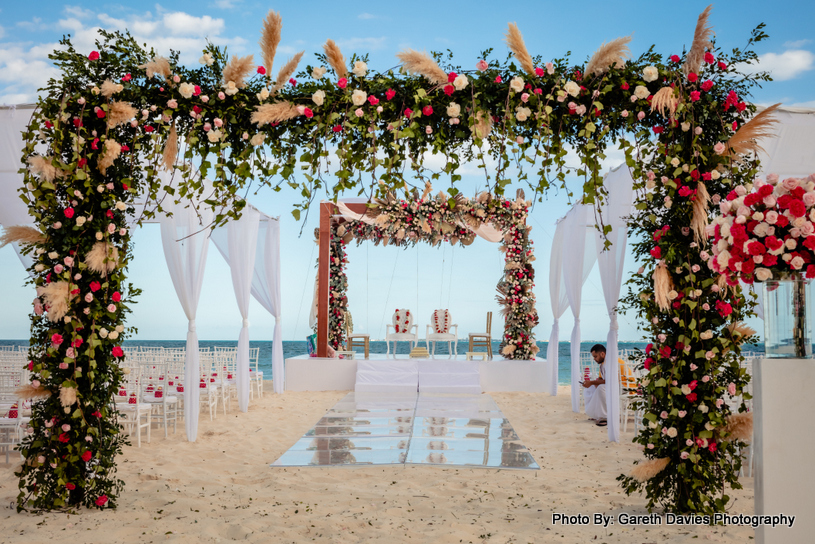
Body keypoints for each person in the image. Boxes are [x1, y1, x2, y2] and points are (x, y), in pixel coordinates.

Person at [580, 344, 636, 427]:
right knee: (589, 388)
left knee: (601, 388)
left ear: (602, 354)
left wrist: (592, 382)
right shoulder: (603, 364)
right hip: (615, 386)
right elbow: (600, 378)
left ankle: (605, 417)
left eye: (595, 356)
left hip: (625, 387)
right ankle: (595, 414)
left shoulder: (612, 362)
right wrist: (593, 383)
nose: (594, 359)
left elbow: (612, 380)